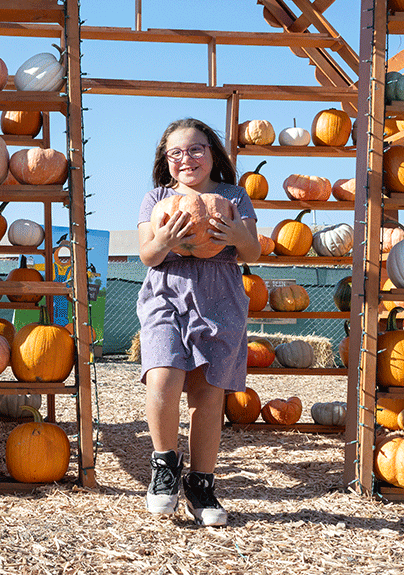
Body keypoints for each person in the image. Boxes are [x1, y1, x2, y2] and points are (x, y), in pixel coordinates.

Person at [136, 118, 261, 526]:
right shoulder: (156, 198)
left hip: (220, 297)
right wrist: (166, 241)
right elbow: (148, 256)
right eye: (176, 153)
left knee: (208, 393)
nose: (186, 159)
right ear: (166, 160)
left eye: (195, 149)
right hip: (166, 294)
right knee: (163, 378)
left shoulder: (234, 196)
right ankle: (164, 466)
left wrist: (234, 235)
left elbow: (253, 252)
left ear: (212, 153)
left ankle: (201, 484)